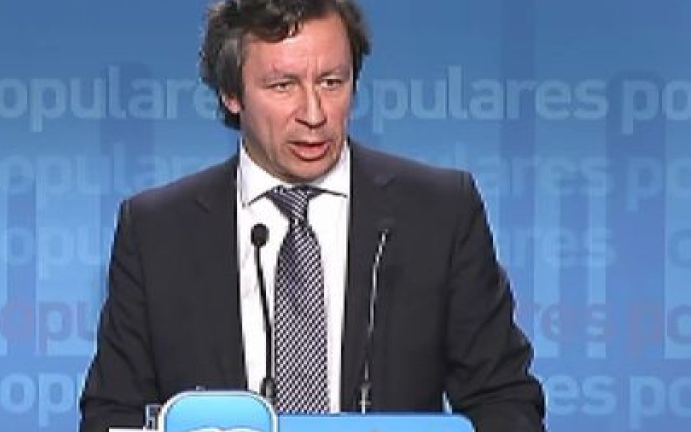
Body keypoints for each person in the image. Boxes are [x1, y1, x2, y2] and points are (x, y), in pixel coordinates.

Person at [79, 0, 546, 431]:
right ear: (231, 94)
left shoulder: (439, 212)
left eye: (331, 82)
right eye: (283, 85)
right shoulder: (157, 231)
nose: (314, 113)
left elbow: (504, 400)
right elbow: (112, 414)